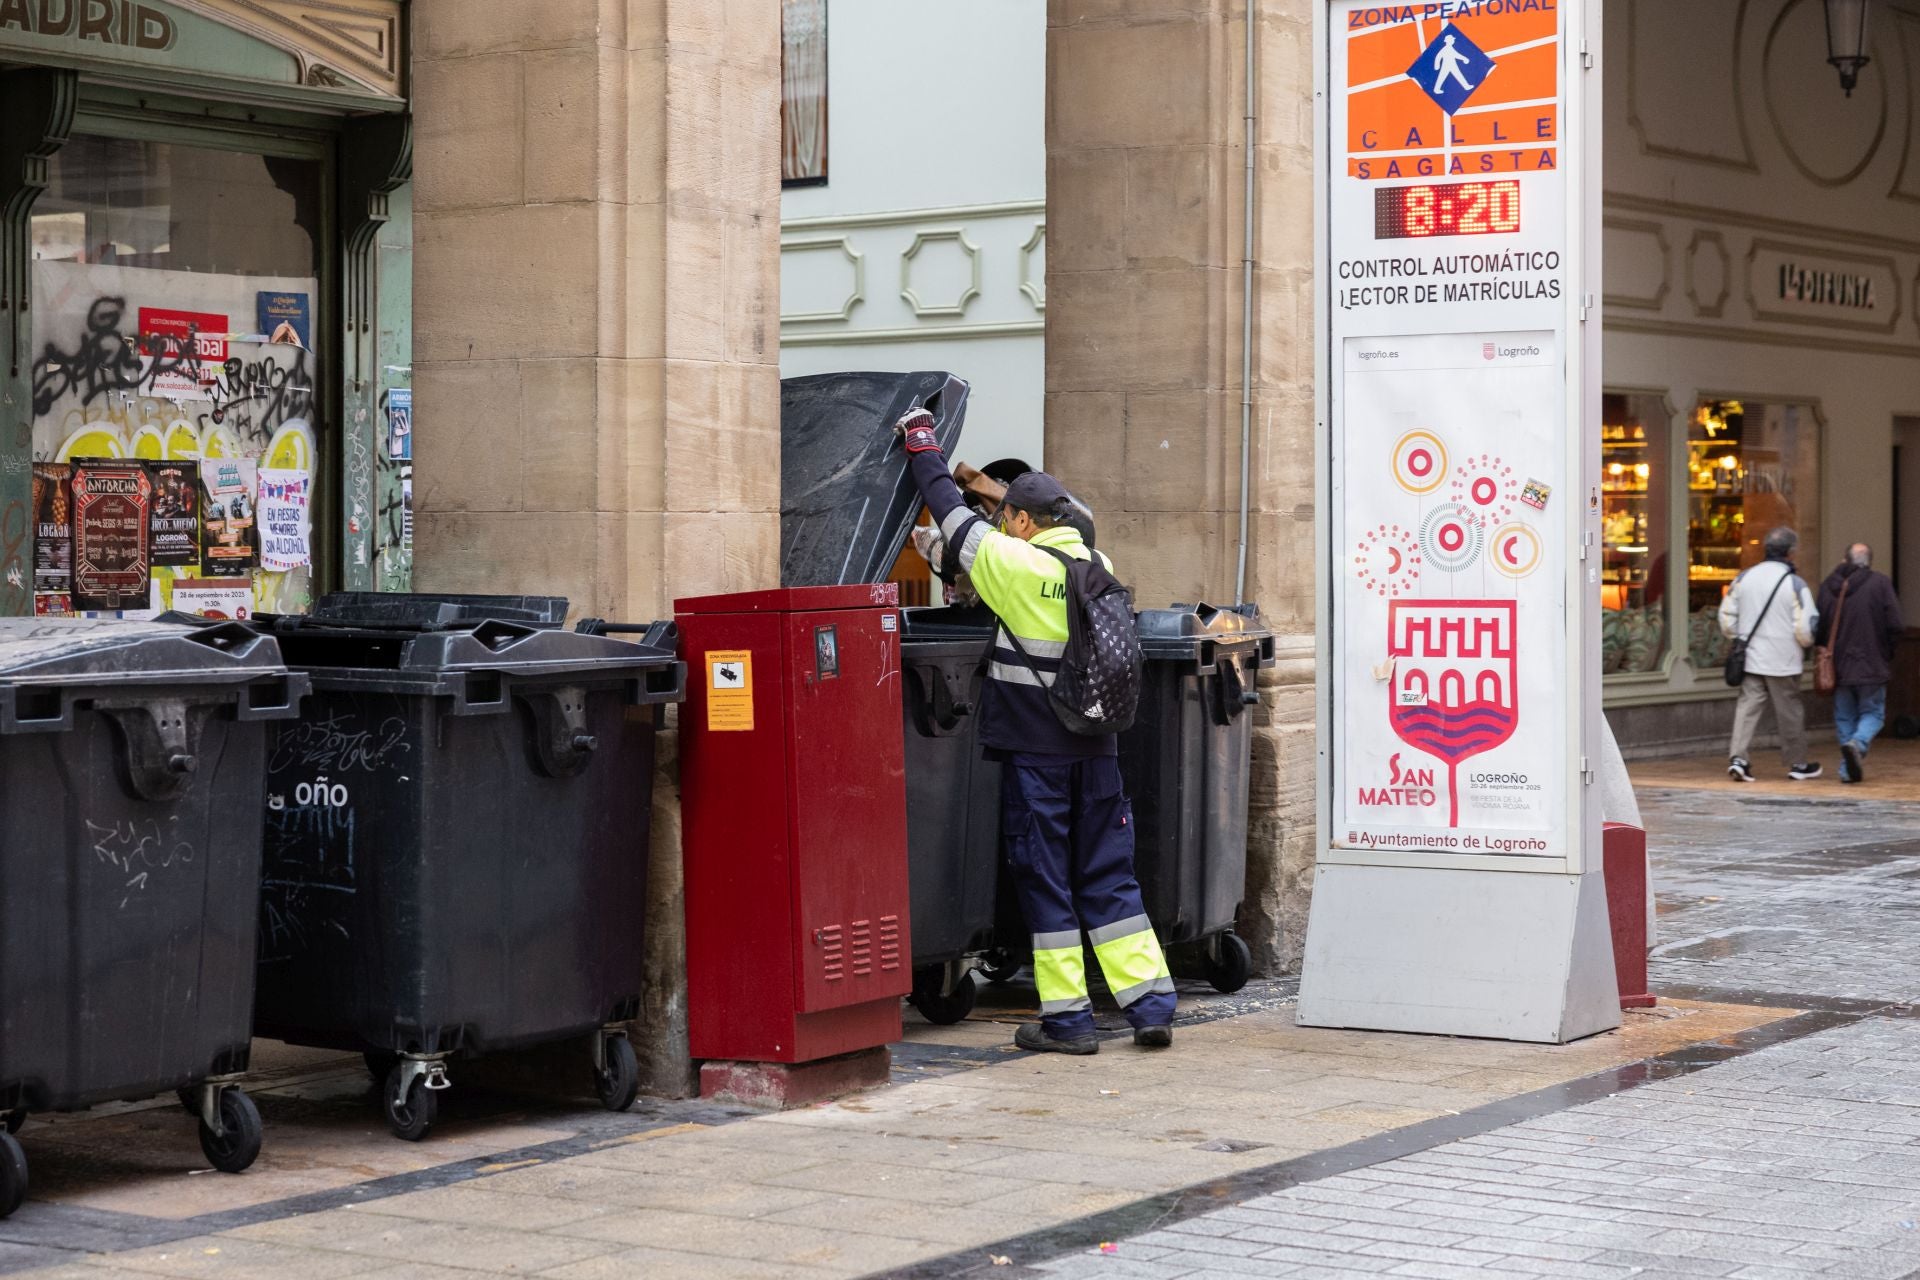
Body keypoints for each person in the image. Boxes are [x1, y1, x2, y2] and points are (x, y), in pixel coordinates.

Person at [895, 407, 1175, 1055]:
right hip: (1098, 751)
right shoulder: (1095, 563)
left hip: (1038, 758)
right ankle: (1151, 1006)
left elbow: (947, 508)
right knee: (1111, 877)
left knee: (1047, 879)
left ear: (1024, 522)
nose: (1000, 525)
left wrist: (922, 445)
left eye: (1008, 517)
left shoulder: (1012, 567)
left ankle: (1069, 1023)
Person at [1720, 527, 1821, 782]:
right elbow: (1806, 627)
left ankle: (1739, 758)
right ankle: (1797, 763)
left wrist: (1738, 637)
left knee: (1747, 708)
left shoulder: (1744, 578)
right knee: (1789, 712)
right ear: (1790, 552)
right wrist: (1803, 644)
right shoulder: (1794, 583)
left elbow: (1726, 617)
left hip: (1751, 657)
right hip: (1783, 660)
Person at [1816, 543, 1906, 783]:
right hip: (1871, 662)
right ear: (1870, 561)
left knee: (1845, 716)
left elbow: (1820, 626)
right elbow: (1895, 624)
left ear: (1844, 559)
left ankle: (1848, 769)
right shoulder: (1880, 584)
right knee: (1873, 713)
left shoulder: (1828, 585)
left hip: (1839, 665)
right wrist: (1886, 651)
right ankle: (1858, 743)